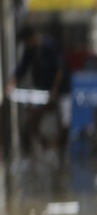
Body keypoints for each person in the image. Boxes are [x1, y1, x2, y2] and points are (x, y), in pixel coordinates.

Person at [5, 24, 71, 153]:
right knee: (33, 117)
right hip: (42, 90)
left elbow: (60, 69)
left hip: (61, 89)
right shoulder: (30, 50)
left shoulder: (50, 45)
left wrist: (55, 89)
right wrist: (11, 83)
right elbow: (22, 68)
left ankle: (61, 145)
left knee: (65, 120)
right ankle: (44, 144)